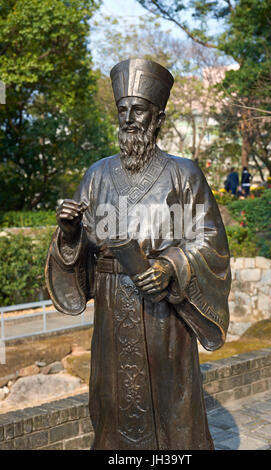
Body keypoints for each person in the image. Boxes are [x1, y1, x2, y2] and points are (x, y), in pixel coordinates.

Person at [45, 59, 231, 451]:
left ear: (158, 117)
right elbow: (79, 245)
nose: (129, 119)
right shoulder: (97, 174)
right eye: (122, 110)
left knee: (172, 406)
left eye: (139, 110)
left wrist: (170, 266)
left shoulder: (185, 173)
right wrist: (69, 231)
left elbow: (210, 240)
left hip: (164, 313)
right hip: (113, 310)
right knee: (113, 401)